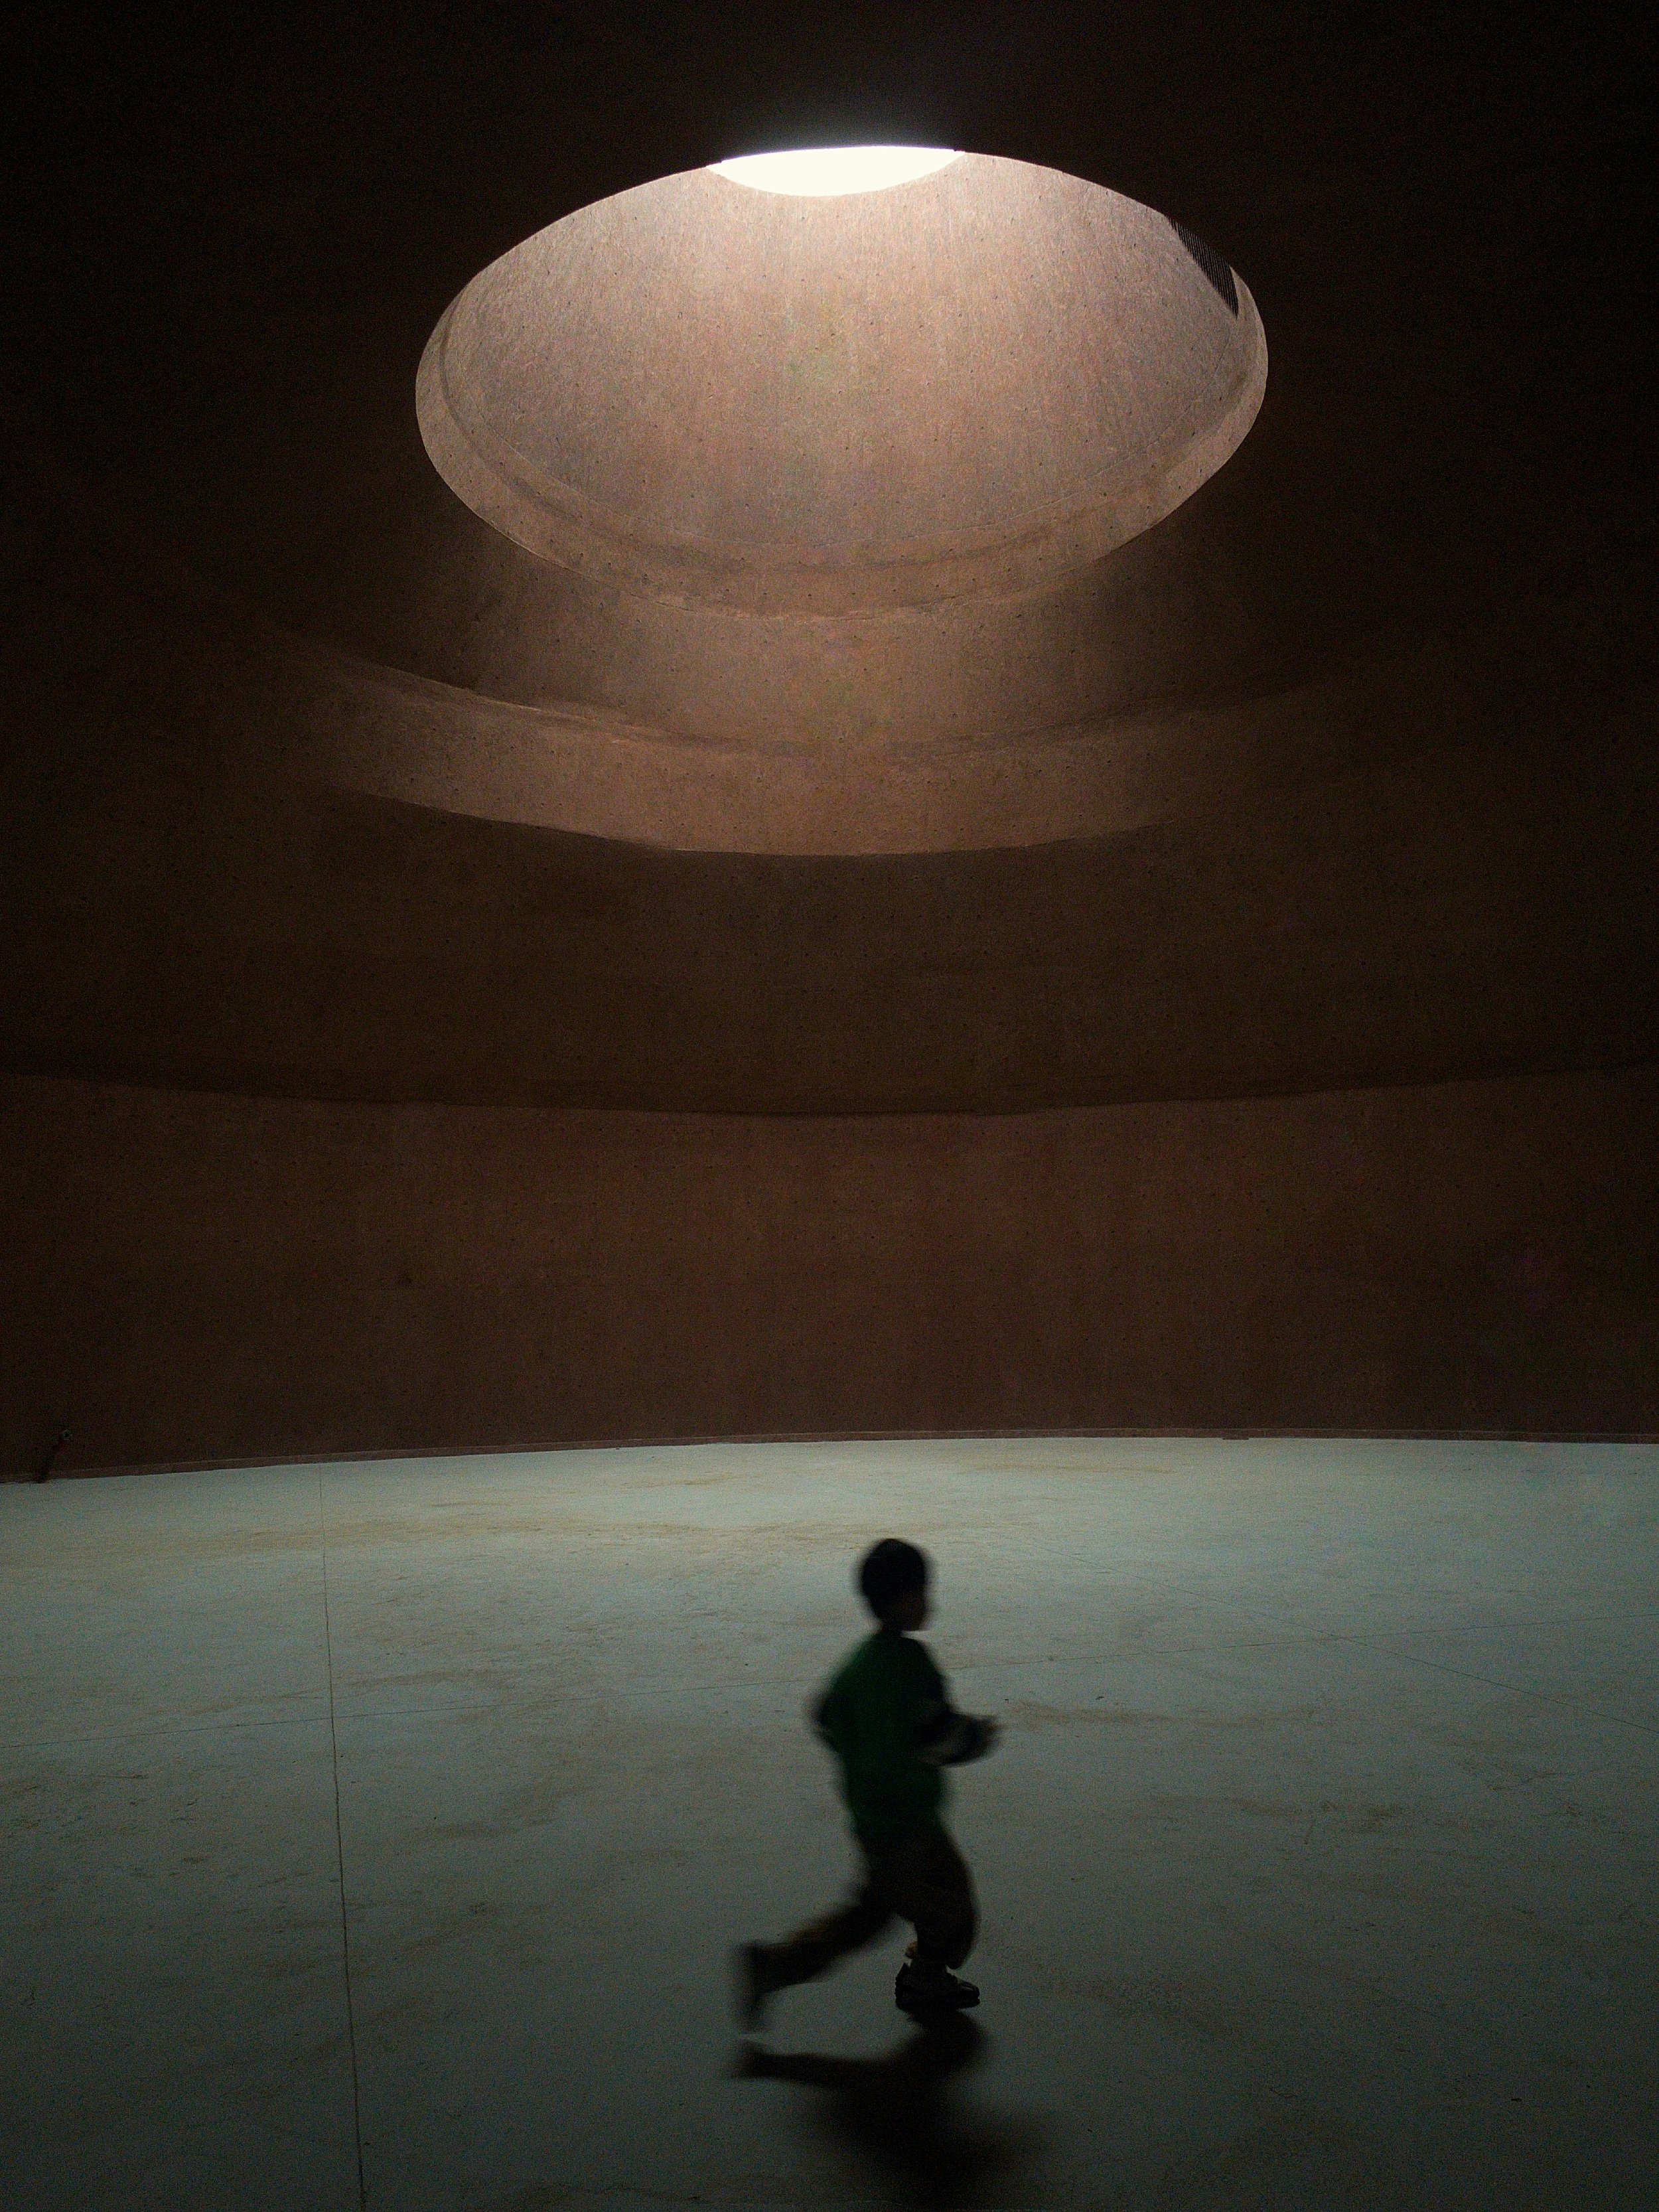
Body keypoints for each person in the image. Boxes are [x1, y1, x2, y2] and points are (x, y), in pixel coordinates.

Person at [735, 1538, 999, 2025]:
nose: (928, 1601)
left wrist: (862, 1758)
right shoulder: (914, 1665)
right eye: (922, 1591)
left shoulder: (856, 1666)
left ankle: (775, 1966)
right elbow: (938, 1737)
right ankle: (923, 1975)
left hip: (874, 1820)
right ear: (903, 1599)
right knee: (952, 1905)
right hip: (910, 1825)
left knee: (868, 1915)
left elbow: (824, 1715)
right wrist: (978, 1737)